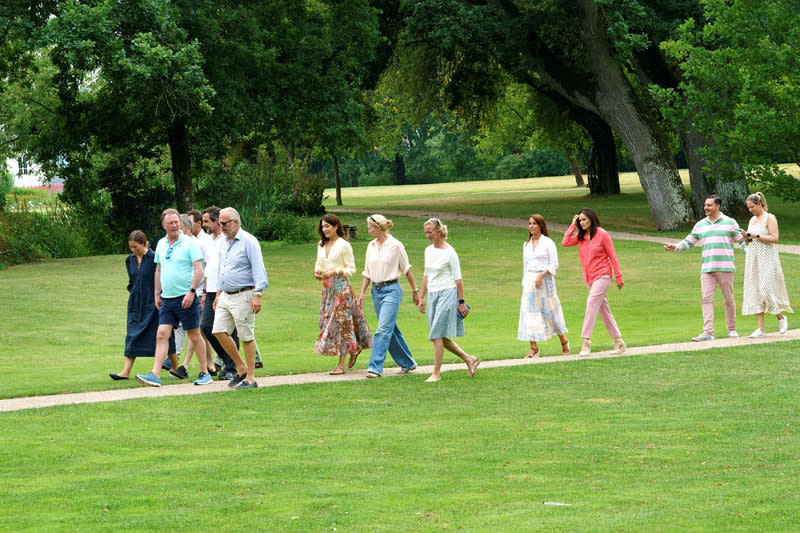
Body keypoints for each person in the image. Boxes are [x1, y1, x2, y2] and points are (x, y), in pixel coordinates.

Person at [136, 209, 211, 386]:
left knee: (193, 333)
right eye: (170, 223)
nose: (174, 225)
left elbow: (199, 270)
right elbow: (159, 270)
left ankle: (204, 372)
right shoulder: (161, 244)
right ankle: (155, 374)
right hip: (167, 299)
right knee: (162, 333)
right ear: (164, 225)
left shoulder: (190, 243)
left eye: (176, 222)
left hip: (186, 297)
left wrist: (192, 292)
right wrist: (157, 293)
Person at [664, 195, 746, 341]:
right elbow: (688, 241)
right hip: (707, 268)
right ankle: (708, 332)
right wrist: (675, 247)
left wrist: (751, 253)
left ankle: (732, 330)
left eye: (709, 205)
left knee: (728, 299)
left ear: (717, 206)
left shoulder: (730, 222)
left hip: (725, 267)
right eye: (705, 205)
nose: (706, 208)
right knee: (706, 299)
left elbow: (742, 241)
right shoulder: (700, 225)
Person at [417, 218, 480, 382]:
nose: (427, 235)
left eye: (430, 232)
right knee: (437, 335)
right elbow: (426, 275)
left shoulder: (450, 252)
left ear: (438, 231)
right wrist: (421, 296)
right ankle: (469, 359)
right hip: (433, 294)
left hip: (447, 293)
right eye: (426, 232)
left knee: (436, 335)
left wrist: (461, 303)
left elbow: (458, 280)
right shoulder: (428, 251)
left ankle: (436, 373)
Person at [212, 207, 269, 390]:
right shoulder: (223, 242)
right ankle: (241, 366)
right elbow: (223, 268)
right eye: (220, 223)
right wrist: (219, 292)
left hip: (244, 293)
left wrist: (258, 294)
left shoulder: (249, 241)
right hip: (226, 295)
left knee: (245, 335)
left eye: (224, 223)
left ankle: (251, 378)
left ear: (235, 222)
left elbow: (258, 269)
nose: (221, 226)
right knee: (218, 331)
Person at [357, 214, 419, 378]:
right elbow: (367, 272)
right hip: (376, 291)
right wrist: (362, 293)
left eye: (370, 227)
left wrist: (415, 291)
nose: (368, 230)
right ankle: (407, 362)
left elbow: (407, 269)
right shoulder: (370, 246)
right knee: (390, 329)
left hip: (392, 290)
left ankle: (375, 367)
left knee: (382, 329)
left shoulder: (396, 245)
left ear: (378, 228)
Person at [110, 230, 175, 380]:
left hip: (155, 302)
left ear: (144, 244)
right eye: (131, 247)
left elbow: (161, 278)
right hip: (135, 303)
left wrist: (159, 297)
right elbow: (132, 281)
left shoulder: (154, 258)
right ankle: (125, 371)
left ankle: (176, 367)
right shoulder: (130, 260)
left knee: (163, 335)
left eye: (136, 247)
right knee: (132, 334)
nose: (133, 250)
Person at [561, 208, 625, 356]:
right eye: (580, 220)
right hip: (589, 278)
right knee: (604, 310)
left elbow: (612, 256)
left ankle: (586, 342)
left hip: (603, 275)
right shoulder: (581, 237)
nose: (582, 223)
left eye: (584, 220)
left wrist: (619, 276)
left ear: (591, 219)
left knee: (591, 304)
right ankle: (618, 341)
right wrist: (572, 225)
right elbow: (565, 242)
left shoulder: (602, 234)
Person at [314, 214, 372, 375]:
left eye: (328, 226)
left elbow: (351, 269)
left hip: (342, 289)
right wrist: (317, 273)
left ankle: (341, 364)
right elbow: (318, 264)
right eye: (323, 226)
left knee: (342, 325)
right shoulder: (321, 244)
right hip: (328, 290)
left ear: (336, 227)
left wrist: (336, 271)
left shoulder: (344, 245)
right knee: (330, 324)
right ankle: (353, 350)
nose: (325, 229)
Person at [169, 213, 217, 379]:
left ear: (187, 227)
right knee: (198, 331)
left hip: (198, 293)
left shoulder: (198, 244)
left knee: (195, 330)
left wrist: (203, 292)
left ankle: (186, 366)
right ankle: (209, 365)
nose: (177, 230)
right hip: (188, 293)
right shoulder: (176, 245)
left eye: (180, 227)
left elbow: (205, 268)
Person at [740, 192, 792, 337]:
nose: (750, 210)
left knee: (765, 288)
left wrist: (757, 236)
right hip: (753, 256)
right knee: (754, 290)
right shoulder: (752, 220)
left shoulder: (770, 218)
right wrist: (746, 238)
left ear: (759, 204)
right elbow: (749, 242)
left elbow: (775, 238)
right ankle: (760, 329)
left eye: (752, 207)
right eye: (748, 208)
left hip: (767, 256)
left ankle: (780, 317)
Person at [518, 214, 569, 357]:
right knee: (529, 312)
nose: (531, 226)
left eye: (534, 223)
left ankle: (564, 342)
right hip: (530, 282)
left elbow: (554, 263)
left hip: (545, 282)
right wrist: (526, 281)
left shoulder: (547, 243)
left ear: (540, 226)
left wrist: (542, 274)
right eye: (529, 223)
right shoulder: (526, 245)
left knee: (551, 312)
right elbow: (525, 265)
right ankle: (533, 347)